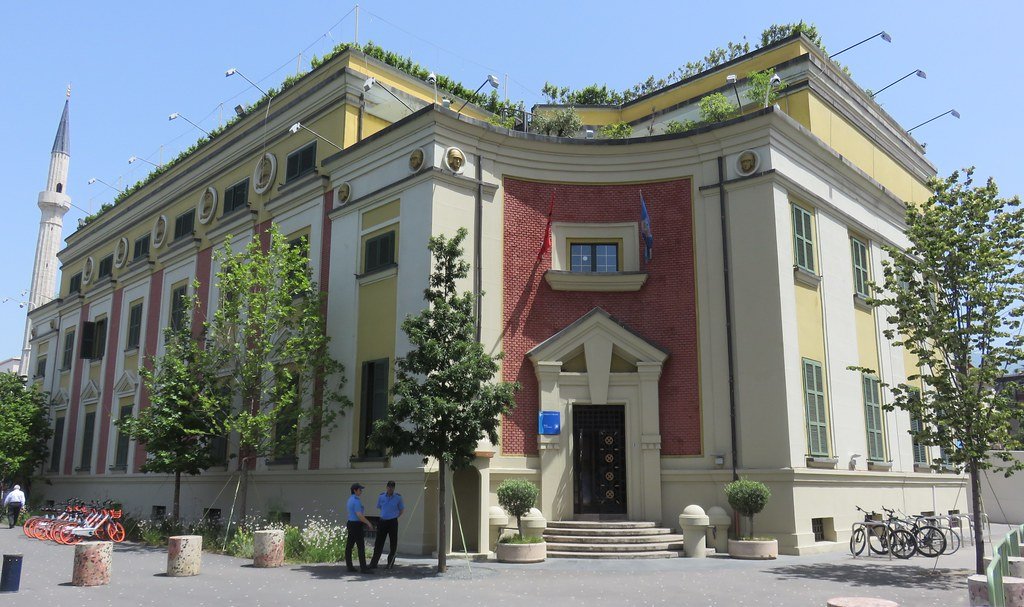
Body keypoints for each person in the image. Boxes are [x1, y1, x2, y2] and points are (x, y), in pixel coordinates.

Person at [369, 480, 404, 569]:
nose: (390, 489)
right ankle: (374, 563)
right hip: (383, 521)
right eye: (389, 487)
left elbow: (401, 510)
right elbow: (380, 507)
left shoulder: (398, 498)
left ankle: (390, 563)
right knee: (379, 543)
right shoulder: (381, 497)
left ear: (394, 488)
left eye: (392, 487)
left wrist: (395, 516)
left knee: (393, 543)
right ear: (386, 487)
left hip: (393, 522)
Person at [344, 483, 374, 573]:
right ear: (355, 490)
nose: (361, 491)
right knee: (360, 546)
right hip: (356, 524)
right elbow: (359, 515)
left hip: (351, 523)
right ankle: (363, 568)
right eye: (360, 490)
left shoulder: (350, 499)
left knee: (349, 546)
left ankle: (349, 566)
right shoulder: (356, 501)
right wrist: (368, 523)